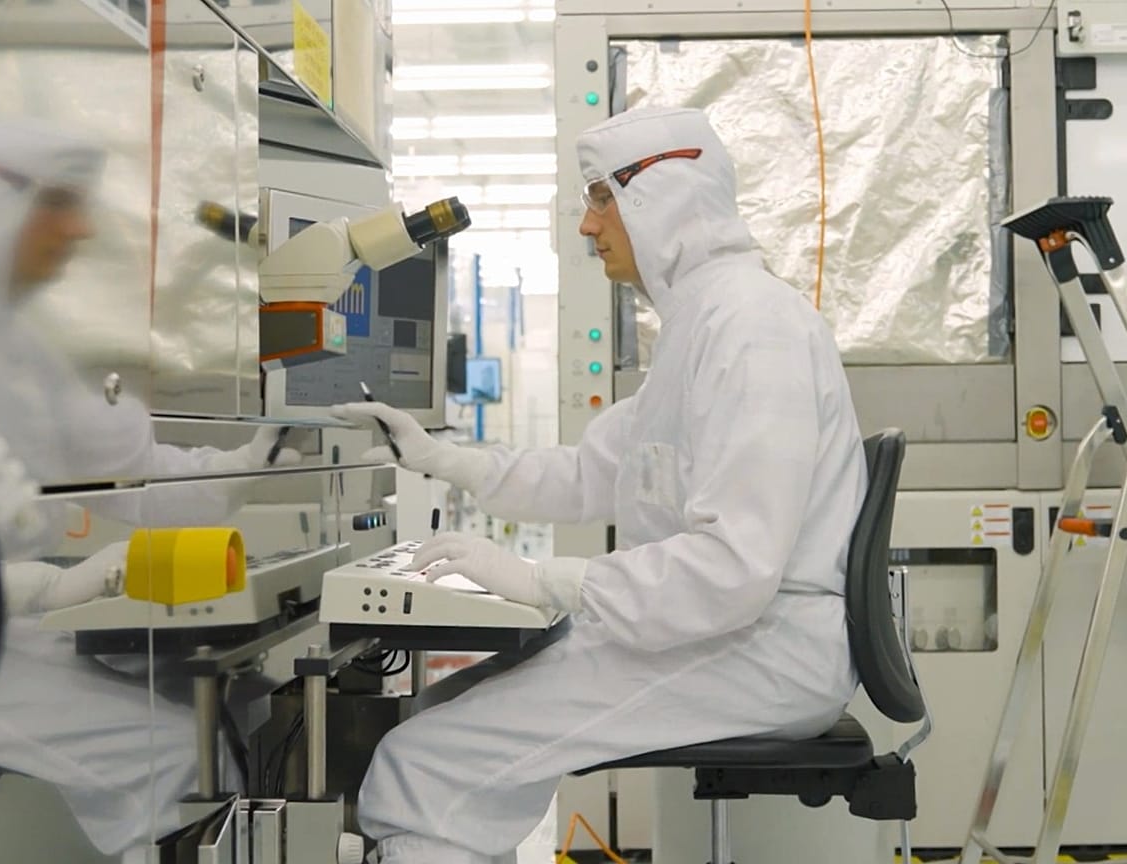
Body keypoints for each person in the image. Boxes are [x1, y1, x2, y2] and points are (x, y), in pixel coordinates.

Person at [333, 106, 868, 864]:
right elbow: (592, 474)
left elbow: (735, 569)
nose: (588, 227)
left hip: (761, 650)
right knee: (437, 715)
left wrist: (540, 579)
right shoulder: (699, 324)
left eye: (599, 198)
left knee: (425, 765)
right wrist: (441, 458)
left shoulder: (751, 328)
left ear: (664, 196)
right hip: (724, 633)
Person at [0, 116, 296, 859]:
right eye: (59, 205)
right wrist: (39, 591)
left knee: (222, 698)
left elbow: (133, 478)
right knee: (167, 752)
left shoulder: (12, 342)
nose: (78, 231)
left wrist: (256, 461)